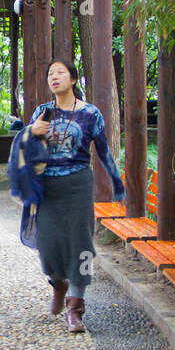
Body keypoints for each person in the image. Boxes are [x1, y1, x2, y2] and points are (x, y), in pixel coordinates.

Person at [26, 60, 124, 332]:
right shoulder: (42, 112)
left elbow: (103, 151)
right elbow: (25, 146)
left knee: (80, 246)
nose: (54, 77)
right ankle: (58, 282)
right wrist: (30, 131)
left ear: (73, 79)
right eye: (50, 74)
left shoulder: (90, 114)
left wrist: (117, 183)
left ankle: (75, 307)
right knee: (47, 247)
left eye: (60, 73)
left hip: (78, 185)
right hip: (47, 188)